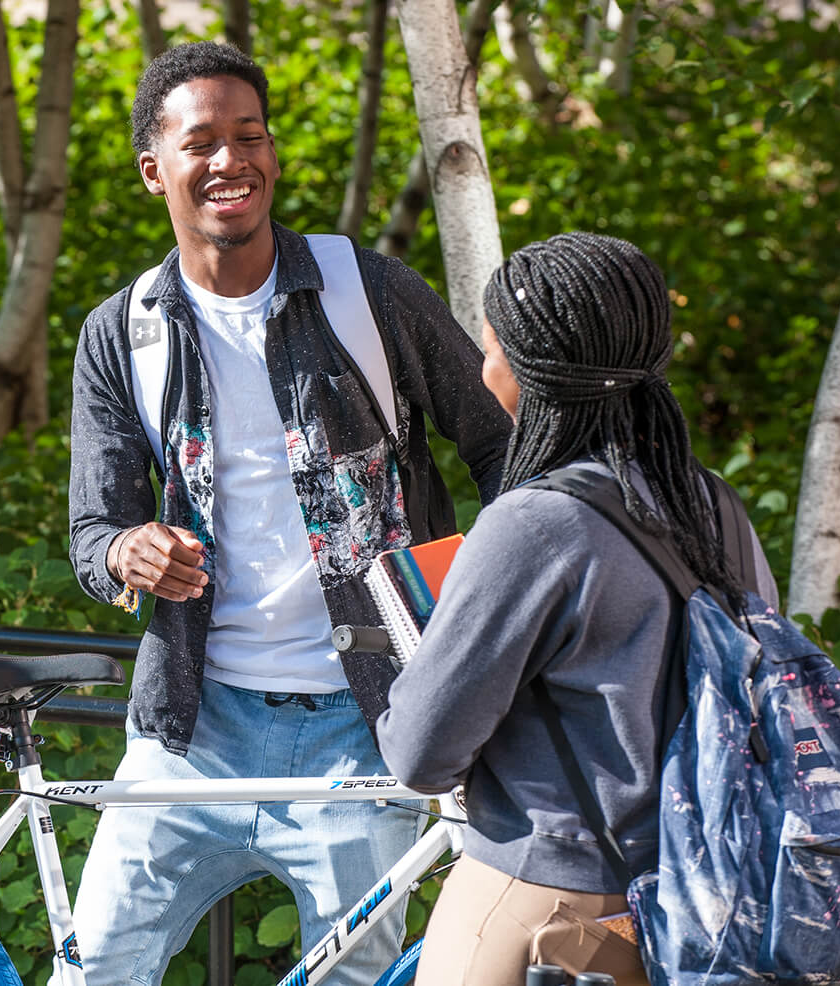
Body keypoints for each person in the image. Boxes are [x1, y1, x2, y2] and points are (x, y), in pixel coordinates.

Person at [65, 40, 511, 986]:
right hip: (189, 731)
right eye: (201, 143)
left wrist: (492, 605)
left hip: (367, 723)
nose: (231, 159)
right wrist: (129, 552)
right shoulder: (123, 330)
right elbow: (93, 533)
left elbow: (501, 447)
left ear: (272, 153)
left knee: (353, 977)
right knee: (96, 966)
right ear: (156, 170)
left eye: (250, 135)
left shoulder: (368, 290)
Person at [376, 232, 780, 986]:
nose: (481, 366)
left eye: (490, 346)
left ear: (532, 374)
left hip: (549, 905)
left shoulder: (532, 524)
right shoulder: (715, 505)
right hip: (707, 895)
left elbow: (420, 755)